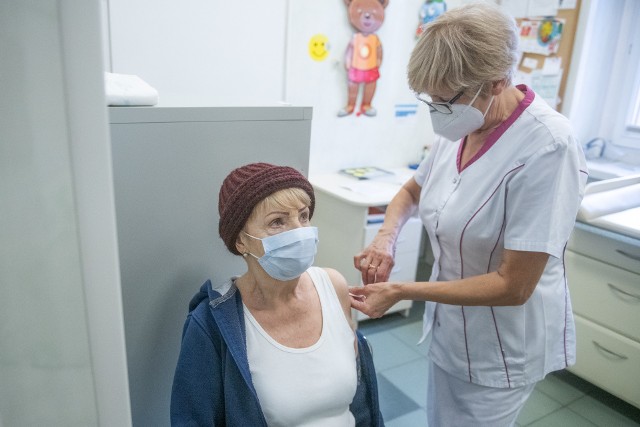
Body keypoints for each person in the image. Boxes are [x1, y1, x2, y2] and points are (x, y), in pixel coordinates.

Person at [348, 3, 588, 426]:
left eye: (446, 99)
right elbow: (411, 191)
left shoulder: (548, 146)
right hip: (451, 329)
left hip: (502, 347)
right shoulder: (460, 123)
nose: (437, 108)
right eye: (431, 98)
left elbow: (514, 285)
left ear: (496, 82)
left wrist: (403, 289)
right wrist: (386, 237)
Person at [170, 162, 384, 426]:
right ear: (241, 241)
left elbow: (362, 404)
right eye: (277, 222)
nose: (299, 231)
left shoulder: (334, 286)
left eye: (303, 216)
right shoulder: (214, 325)